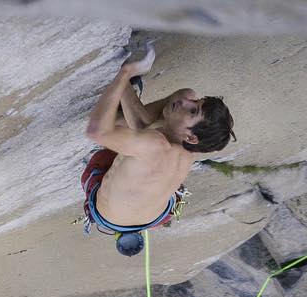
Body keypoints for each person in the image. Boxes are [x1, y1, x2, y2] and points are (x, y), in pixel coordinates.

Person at [82, 42, 236, 256]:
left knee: (103, 156)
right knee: (183, 94)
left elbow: (95, 131)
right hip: (156, 215)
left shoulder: (155, 144)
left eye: (192, 111)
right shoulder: (191, 147)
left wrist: (124, 73)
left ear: (191, 136)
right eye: (195, 103)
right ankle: (120, 110)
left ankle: (119, 107)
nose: (185, 102)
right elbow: (153, 132)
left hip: (111, 216)